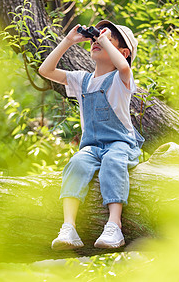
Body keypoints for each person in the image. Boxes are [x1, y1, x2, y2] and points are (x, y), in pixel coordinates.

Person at [38, 20, 144, 250]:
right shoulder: (82, 80)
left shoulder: (120, 79)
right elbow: (45, 71)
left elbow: (125, 68)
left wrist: (102, 38)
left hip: (120, 143)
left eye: (107, 38)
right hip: (91, 147)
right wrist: (68, 41)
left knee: (113, 161)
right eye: (96, 38)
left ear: (123, 52)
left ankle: (114, 225)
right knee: (76, 163)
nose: (97, 40)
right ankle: (69, 226)